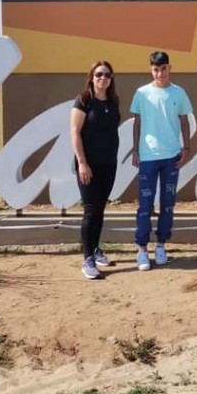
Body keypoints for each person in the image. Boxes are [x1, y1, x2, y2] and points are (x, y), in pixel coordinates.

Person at [130, 51, 193, 271]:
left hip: (172, 157)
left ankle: (161, 245)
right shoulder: (141, 93)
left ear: (170, 68)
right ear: (151, 69)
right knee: (145, 207)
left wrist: (186, 148)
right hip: (147, 157)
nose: (160, 73)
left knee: (168, 205)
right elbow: (137, 123)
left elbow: (185, 122)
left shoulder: (179, 93)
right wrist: (136, 150)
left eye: (164, 68)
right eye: (156, 69)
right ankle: (142, 250)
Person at [69, 61, 120, 280]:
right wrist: (82, 162)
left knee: (100, 209)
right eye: (99, 74)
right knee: (90, 210)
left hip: (108, 164)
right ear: (91, 76)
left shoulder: (112, 101)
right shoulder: (83, 101)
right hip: (88, 166)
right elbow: (75, 132)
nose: (103, 78)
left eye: (107, 75)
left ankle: (96, 249)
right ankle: (87, 258)